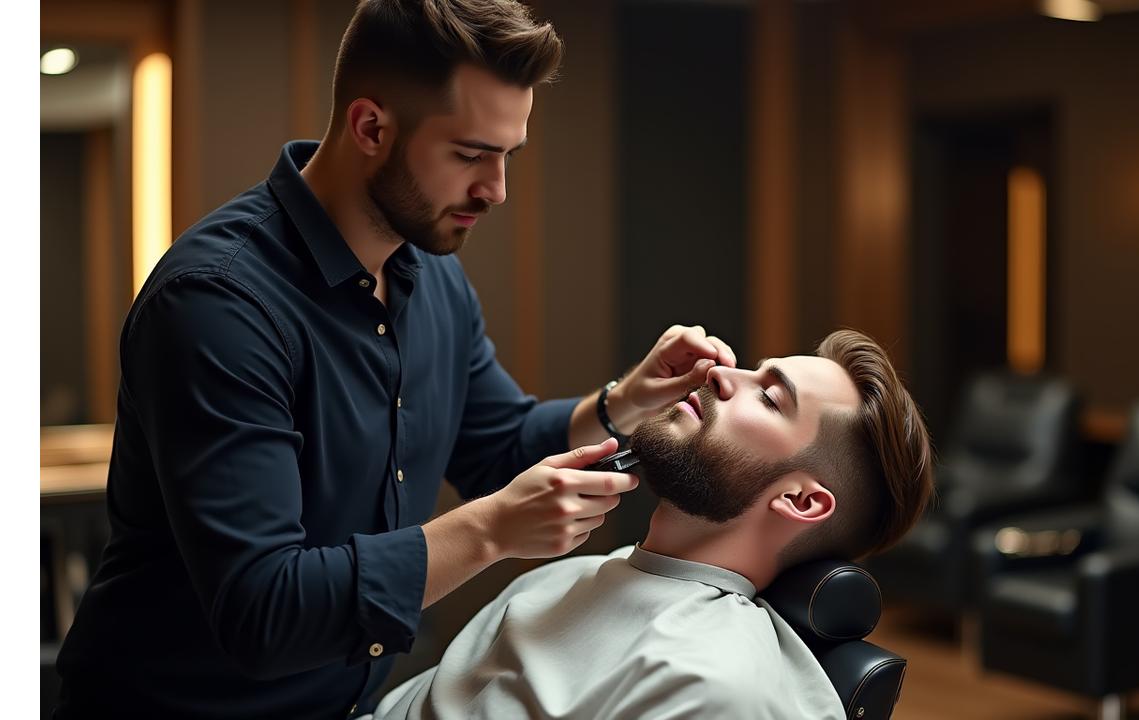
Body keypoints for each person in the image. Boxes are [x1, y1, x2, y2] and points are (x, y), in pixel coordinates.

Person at [53, 2, 737, 717]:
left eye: (508, 156)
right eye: (471, 155)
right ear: (371, 128)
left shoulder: (431, 272)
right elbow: (263, 610)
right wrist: (491, 530)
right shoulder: (218, 304)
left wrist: (621, 403)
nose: (495, 190)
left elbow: (496, 446)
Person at [368, 328, 935, 720]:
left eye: (768, 397)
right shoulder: (579, 577)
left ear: (802, 502)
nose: (719, 373)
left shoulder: (714, 684)